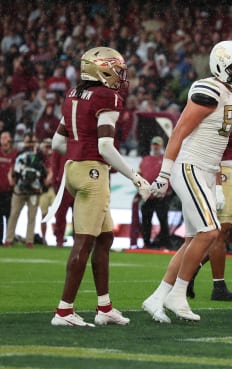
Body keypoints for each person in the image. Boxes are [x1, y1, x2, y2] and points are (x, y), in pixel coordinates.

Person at [142, 40, 232, 323]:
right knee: (210, 232)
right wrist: (164, 174)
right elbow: (178, 131)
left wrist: (214, 179)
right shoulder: (209, 90)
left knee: (194, 238)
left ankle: (157, 297)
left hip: (205, 170)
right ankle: (177, 294)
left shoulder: (230, 93)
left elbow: (217, 144)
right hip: (188, 166)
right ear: (221, 66)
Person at [49, 46, 152, 326]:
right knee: (84, 240)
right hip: (92, 170)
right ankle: (64, 311)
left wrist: (78, 157)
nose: (120, 76)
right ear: (102, 68)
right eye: (117, 69)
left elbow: (58, 143)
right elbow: (105, 146)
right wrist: (136, 177)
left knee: (105, 238)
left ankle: (104, 308)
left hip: (75, 169)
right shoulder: (107, 96)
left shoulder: (73, 94)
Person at [186, 115, 232, 301]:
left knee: (230, 232)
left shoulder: (226, 113)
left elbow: (229, 152)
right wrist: (218, 185)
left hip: (227, 171)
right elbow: (213, 152)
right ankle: (218, 286)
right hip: (220, 173)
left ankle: (190, 272)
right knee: (220, 231)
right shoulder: (219, 115)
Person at [4, 134, 51, 247]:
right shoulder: (19, 153)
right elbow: (12, 168)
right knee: (14, 213)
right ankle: (9, 239)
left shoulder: (40, 155)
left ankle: (29, 240)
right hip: (20, 187)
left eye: (33, 141)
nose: (30, 144)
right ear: (24, 142)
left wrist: (46, 181)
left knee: (32, 215)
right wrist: (11, 178)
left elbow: (49, 169)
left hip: (35, 188)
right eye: (28, 142)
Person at [138, 136, 171, 249]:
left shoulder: (165, 159)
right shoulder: (145, 159)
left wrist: (167, 190)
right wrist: (141, 190)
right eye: (154, 144)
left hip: (161, 196)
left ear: (161, 146)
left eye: (157, 145)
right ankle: (146, 243)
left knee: (163, 220)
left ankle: (164, 243)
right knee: (146, 221)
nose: (155, 146)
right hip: (148, 196)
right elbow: (139, 176)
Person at [37, 138, 56, 244]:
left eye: (50, 146)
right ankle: (44, 238)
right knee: (44, 214)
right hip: (44, 189)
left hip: (54, 188)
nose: (48, 149)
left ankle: (58, 236)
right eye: (46, 146)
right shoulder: (40, 159)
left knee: (58, 214)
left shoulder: (56, 157)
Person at [0, 130, 17, 244]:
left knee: (10, 215)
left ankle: (9, 239)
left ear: (10, 139)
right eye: (2, 137)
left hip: (10, 190)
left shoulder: (15, 153)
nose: (4, 140)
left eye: (6, 137)